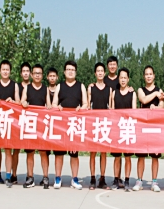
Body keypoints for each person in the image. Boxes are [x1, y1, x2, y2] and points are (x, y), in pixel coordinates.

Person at [51, 60, 88, 189]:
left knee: (74, 154)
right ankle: (57, 178)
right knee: (59, 153)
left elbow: (85, 104)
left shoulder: (81, 86)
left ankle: (74, 179)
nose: (70, 72)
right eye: (68, 69)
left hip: (75, 124)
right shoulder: (60, 86)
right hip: (61, 124)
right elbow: (53, 104)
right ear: (64, 72)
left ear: (76, 72)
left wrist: (80, 109)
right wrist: (58, 107)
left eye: (72, 70)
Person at [0, 60, 20, 188]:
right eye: (3, 69)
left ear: (10, 71)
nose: (5, 72)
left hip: (9, 121)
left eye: (7, 69)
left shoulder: (14, 85)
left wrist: (13, 101)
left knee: (8, 150)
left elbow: (19, 102)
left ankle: (8, 176)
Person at [21, 63, 50, 189]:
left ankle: (45, 177)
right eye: (35, 73)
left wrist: (49, 108)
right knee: (30, 152)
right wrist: (23, 103)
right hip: (30, 124)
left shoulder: (45, 89)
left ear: (42, 75)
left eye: (39, 73)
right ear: (31, 75)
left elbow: (49, 105)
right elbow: (22, 101)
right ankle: (30, 177)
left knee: (43, 152)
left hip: (42, 124)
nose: (37, 75)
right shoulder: (27, 88)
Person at [136, 65, 164, 192]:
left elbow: (162, 106)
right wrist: (155, 94)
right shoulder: (141, 90)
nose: (148, 76)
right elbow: (143, 99)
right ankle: (139, 181)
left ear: (154, 76)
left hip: (155, 128)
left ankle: (154, 182)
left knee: (155, 156)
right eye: (146, 74)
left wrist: (156, 107)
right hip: (143, 127)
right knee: (141, 156)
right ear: (144, 76)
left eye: (150, 74)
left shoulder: (159, 90)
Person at [110, 67, 137, 191]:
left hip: (128, 129)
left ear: (128, 79)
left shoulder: (132, 93)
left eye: (125, 78)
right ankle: (116, 179)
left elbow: (134, 112)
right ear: (118, 79)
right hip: (117, 128)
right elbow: (111, 111)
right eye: (121, 77)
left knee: (127, 157)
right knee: (117, 157)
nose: (123, 80)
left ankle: (126, 181)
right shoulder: (114, 93)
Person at [87, 62, 112, 190]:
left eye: (102, 71)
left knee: (103, 153)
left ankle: (102, 178)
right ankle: (92, 178)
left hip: (104, 124)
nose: (100, 73)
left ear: (104, 73)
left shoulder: (109, 89)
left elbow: (111, 108)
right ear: (95, 73)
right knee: (93, 153)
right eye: (98, 71)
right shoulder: (90, 88)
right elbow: (87, 107)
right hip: (93, 123)